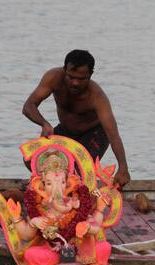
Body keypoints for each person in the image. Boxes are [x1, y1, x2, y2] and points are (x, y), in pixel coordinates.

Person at [22, 49, 130, 187]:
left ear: (90, 75)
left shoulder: (97, 96)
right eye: (71, 77)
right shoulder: (53, 77)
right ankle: (49, 189)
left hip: (94, 134)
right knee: (31, 159)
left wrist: (123, 168)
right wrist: (44, 124)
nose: (75, 83)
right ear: (64, 70)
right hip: (66, 130)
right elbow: (28, 106)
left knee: (77, 172)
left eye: (81, 79)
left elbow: (113, 135)